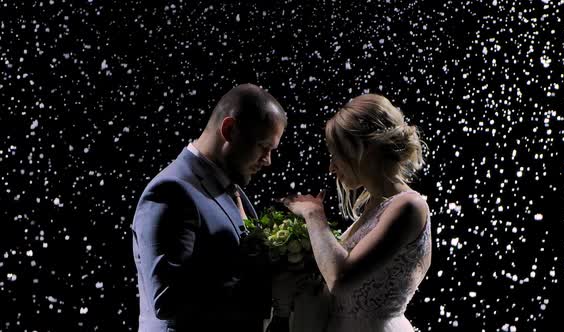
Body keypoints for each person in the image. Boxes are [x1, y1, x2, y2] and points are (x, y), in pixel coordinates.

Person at [131, 83, 287, 332]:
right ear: (229, 129)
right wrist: (256, 276)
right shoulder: (172, 191)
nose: (267, 161)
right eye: (263, 147)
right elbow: (167, 297)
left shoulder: (231, 188)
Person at [281, 94, 432, 332]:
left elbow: (341, 280)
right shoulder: (374, 207)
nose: (331, 167)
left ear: (364, 149)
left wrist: (314, 215)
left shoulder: (408, 207)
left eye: (336, 154)